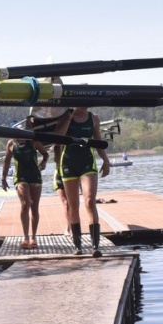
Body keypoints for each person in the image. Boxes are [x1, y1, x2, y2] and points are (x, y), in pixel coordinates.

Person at [53, 105, 111, 252]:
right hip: (68, 163)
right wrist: (68, 118)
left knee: (90, 201)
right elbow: (58, 139)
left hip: (87, 163)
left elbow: (98, 142)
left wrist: (106, 161)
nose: (83, 106)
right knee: (73, 205)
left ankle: (95, 246)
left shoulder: (94, 118)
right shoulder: (66, 116)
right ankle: (77, 245)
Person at [0, 137, 47, 249]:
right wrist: (3, 178)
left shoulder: (34, 141)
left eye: (22, 138)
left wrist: (44, 162)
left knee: (35, 207)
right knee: (25, 204)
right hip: (20, 176)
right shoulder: (11, 144)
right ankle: (26, 237)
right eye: (18, 138)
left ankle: (33, 237)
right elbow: (7, 161)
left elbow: (45, 154)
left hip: (35, 175)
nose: (20, 140)